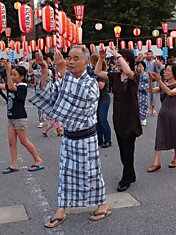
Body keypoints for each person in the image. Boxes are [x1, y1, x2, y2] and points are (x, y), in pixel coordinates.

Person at [29, 46, 111, 228]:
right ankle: (61, 208)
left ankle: (102, 203)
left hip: (86, 138)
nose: (70, 61)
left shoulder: (90, 83)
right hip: (68, 137)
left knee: (92, 173)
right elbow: (48, 96)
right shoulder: (65, 80)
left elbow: (75, 100)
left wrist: (63, 71)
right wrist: (44, 70)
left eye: (75, 58)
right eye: (69, 58)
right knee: (64, 174)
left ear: (85, 62)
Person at [95, 47, 142, 192]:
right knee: (123, 150)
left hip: (131, 119)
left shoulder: (134, 75)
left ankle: (126, 179)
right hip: (119, 118)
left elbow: (128, 71)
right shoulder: (115, 76)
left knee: (128, 150)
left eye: (120, 59)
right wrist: (101, 58)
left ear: (127, 60)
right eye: (116, 60)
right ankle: (131, 173)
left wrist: (116, 54)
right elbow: (97, 72)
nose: (116, 62)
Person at [0, 60, 44, 174]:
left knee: (24, 141)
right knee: (11, 142)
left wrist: (8, 70)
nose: (12, 77)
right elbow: (4, 86)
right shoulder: (13, 84)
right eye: (12, 74)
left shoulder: (22, 86)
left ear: (22, 77)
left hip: (20, 118)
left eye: (15, 75)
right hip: (11, 117)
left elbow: (9, 86)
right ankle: (14, 164)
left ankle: (37, 159)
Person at [147, 63, 176, 172]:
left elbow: (169, 92)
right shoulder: (164, 84)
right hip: (163, 114)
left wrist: (159, 81)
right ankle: (156, 161)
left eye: (168, 70)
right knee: (160, 136)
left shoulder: (169, 85)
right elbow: (151, 90)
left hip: (174, 114)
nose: (165, 72)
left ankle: (175, 158)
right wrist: (151, 80)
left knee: (175, 135)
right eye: (165, 70)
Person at [89, 53, 112, 148]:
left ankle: (108, 139)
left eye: (92, 62)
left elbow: (101, 86)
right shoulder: (91, 72)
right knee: (96, 120)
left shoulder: (103, 73)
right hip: (95, 99)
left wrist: (91, 84)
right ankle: (99, 139)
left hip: (104, 99)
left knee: (102, 119)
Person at [144, 50, 164, 116]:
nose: (148, 56)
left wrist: (156, 59)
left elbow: (161, 68)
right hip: (146, 81)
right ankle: (148, 108)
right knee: (147, 95)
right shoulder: (144, 62)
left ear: (152, 55)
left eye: (150, 54)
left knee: (154, 95)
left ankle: (153, 108)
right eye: (147, 54)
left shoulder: (154, 62)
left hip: (154, 81)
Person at [136, 61, 149, 126]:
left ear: (144, 67)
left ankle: (143, 119)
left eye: (140, 66)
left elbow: (147, 86)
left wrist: (138, 85)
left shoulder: (145, 75)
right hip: (136, 94)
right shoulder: (136, 74)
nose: (139, 68)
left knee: (143, 107)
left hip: (143, 95)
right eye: (138, 66)